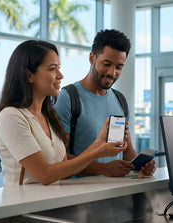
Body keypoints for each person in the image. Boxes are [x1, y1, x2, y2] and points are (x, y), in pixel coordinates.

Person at [0, 40, 127, 186]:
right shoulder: (11, 116)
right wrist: (97, 153)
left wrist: (98, 145)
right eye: (52, 69)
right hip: (24, 208)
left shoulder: (49, 116)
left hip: (55, 205)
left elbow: (65, 170)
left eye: (59, 68)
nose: (60, 75)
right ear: (29, 75)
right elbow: (45, 174)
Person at [54, 29, 156, 177]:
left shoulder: (120, 100)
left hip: (117, 195)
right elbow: (59, 158)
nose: (112, 72)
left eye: (118, 67)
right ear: (91, 58)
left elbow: (127, 152)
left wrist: (141, 164)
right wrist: (102, 168)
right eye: (106, 64)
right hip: (79, 195)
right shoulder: (68, 97)